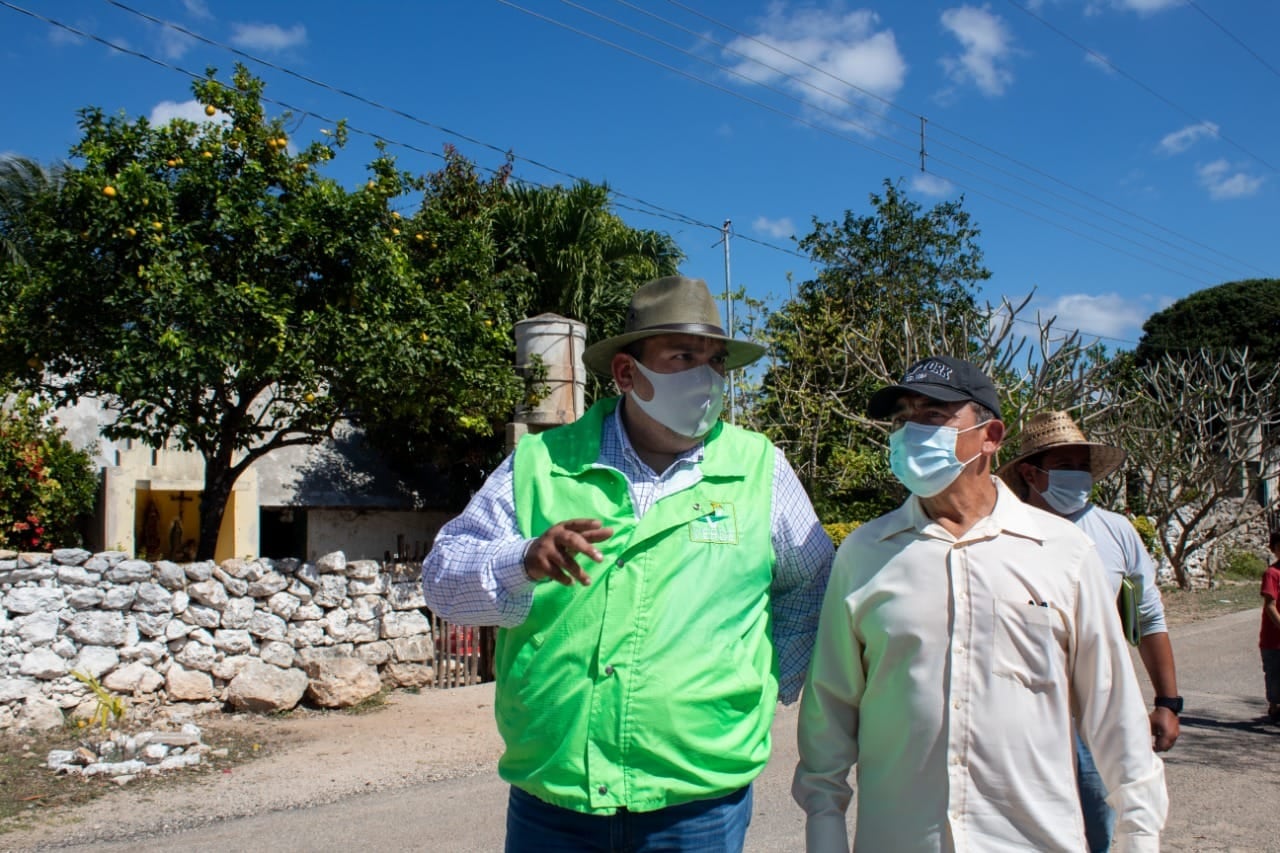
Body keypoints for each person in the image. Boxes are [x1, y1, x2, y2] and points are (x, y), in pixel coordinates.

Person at [423, 275, 834, 852]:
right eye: (683, 357)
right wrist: (522, 560)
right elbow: (442, 579)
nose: (707, 377)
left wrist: (758, 685)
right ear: (625, 373)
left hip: (698, 806)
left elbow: (812, 586)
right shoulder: (541, 462)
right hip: (556, 801)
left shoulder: (759, 468)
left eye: (715, 361)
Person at [793, 355, 1167, 853]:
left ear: (990, 435)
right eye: (903, 419)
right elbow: (831, 707)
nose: (910, 433)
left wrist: (1138, 836)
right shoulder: (865, 553)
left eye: (932, 416)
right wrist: (825, 830)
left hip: (1034, 841)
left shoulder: (1064, 553)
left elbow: (1112, 707)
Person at [996, 410, 1181, 853]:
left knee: (1101, 825)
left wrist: (1168, 702)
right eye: (1066, 467)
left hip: (1095, 713)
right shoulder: (1002, 534)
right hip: (1020, 714)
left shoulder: (1116, 532)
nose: (1079, 477)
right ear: (1030, 473)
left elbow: (1150, 621)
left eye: (1083, 467)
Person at [1261, 530, 1280, 723]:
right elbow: (1270, 606)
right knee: (1275, 674)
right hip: (1273, 639)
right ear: (1273, 549)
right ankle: (1274, 707)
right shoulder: (1272, 574)